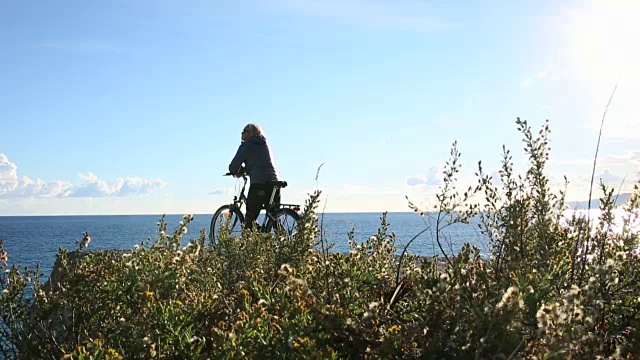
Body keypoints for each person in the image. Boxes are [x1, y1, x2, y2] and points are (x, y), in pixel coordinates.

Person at [228, 123, 280, 230]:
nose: (242, 133)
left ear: (250, 133)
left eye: (244, 131)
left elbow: (233, 166)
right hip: (274, 182)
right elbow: (260, 162)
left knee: (249, 221)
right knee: (274, 217)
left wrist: (236, 171)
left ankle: (251, 242)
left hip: (259, 184)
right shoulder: (264, 144)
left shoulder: (247, 145)